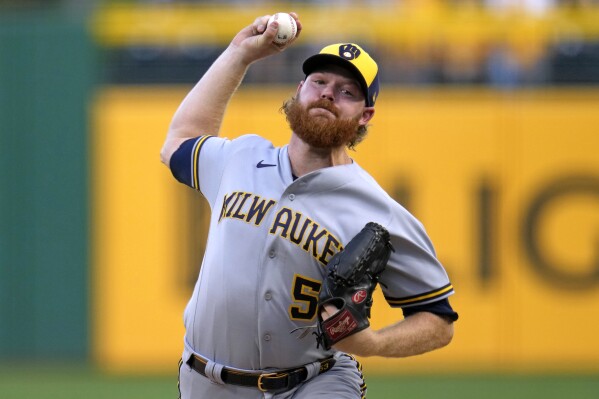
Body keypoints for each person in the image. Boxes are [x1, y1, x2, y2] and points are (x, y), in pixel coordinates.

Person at [160, 12, 458, 399]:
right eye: (319, 82)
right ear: (299, 90)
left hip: (314, 382)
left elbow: (438, 319)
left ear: (365, 116)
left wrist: (375, 344)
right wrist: (239, 54)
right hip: (206, 382)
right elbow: (179, 142)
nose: (328, 93)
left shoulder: (378, 211)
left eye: (348, 91)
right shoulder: (241, 158)